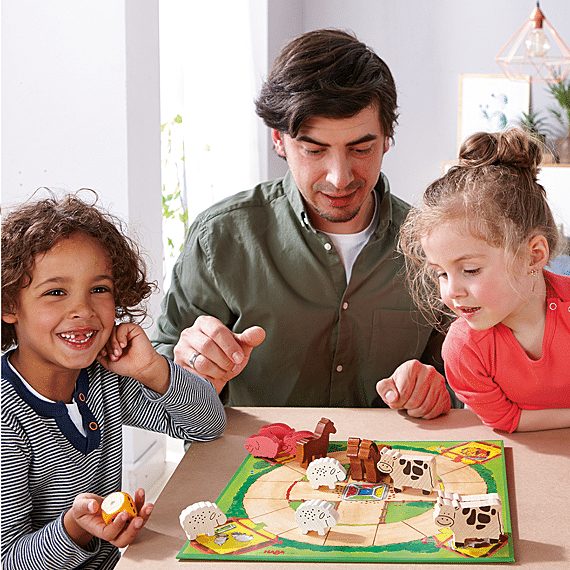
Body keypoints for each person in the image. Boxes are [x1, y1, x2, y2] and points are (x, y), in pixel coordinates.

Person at [153, 28, 457, 418]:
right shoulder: (221, 237)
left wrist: (441, 387)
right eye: (314, 150)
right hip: (258, 466)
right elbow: (162, 372)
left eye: (361, 148)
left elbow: (469, 371)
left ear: (386, 139)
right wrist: (189, 368)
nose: (339, 177)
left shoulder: (433, 243)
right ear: (279, 141)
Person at [1, 192, 226, 570]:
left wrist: (154, 370)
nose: (83, 310)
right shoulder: (7, 418)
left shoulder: (103, 379)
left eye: (99, 289)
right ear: (9, 304)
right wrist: (74, 530)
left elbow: (208, 425)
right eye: (56, 292)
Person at [399, 129, 570, 433]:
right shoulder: (463, 349)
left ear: (533, 256)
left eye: (471, 270)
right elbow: (506, 420)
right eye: (441, 273)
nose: (450, 293)